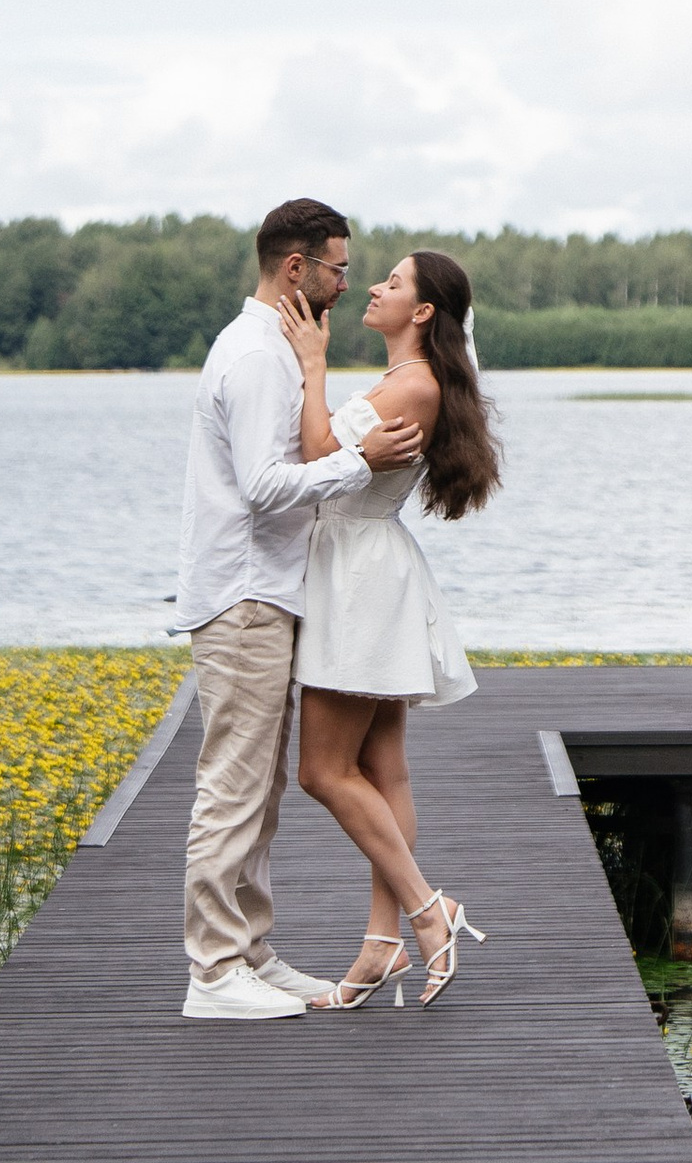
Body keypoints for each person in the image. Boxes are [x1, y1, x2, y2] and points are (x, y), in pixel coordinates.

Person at [174, 196, 424, 1021]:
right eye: (339, 268)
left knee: (262, 790)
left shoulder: (281, 346)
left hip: (271, 591)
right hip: (244, 593)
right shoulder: (253, 356)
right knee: (232, 787)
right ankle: (213, 973)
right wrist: (359, 462)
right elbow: (264, 484)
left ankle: (251, 950)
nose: (347, 284)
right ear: (296, 268)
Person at [281, 244, 501, 1008]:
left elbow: (315, 459)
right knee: (383, 769)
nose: (373, 286)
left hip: (361, 577)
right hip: (365, 564)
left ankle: (426, 908)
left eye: (394, 282)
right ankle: (381, 943)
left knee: (323, 770)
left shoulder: (412, 384)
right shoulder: (408, 379)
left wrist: (313, 365)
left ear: (424, 311)